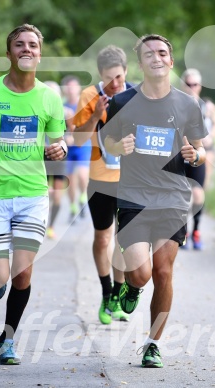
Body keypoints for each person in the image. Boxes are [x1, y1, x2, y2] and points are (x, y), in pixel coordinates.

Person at [0, 24, 67, 365]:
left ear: (40, 54)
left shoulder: (50, 98)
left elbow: (58, 140)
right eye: (19, 45)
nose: (26, 49)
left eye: (33, 45)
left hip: (33, 195)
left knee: (23, 274)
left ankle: (7, 340)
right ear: (8, 54)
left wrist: (59, 150)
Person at [103, 34, 207, 368]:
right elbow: (107, 143)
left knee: (163, 272)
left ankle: (152, 344)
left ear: (171, 62)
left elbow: (202, 151)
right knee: (141, 273)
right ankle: (131, 289)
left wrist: (196, 155)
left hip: (173, 197)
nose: (157, 57)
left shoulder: (188, 104)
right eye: (149, 53)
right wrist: (120, 147)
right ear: (141, 63)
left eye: (163, 52)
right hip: (133, 196)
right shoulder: (122, 102)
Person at [72, 45, 134, 325]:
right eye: (109, 79)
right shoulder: (89, 95)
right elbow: (77, 141)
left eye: (119, 77)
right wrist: (96, 115)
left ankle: (119, 297)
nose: (115, 84)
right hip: (100, 179)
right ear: (100, 74)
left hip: (130, 181)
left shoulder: (136, 96)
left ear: (126, 72)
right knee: (103, 238)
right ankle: (106, 294)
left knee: (124, 242)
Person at [180, 68, 215, 250]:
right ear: (183, 85)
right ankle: (182, 232)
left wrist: (210, 136)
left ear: (200, 86)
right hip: (180, 153)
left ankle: (196, 231)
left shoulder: (207, 106)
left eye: (195, 84)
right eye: (188, 84)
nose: (191, 87)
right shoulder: (176, 103)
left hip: (200, 154)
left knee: (198, 193)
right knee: (181, 194)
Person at [61, 75, 91, 221]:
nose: (71, 90)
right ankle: (73, 207)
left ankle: (83, 197)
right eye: (69, 87)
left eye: (74, 86)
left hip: (83, 145)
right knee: (70, 180)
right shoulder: (61, 107)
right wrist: (64, 137)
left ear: (79, 88)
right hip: (68, 148)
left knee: (82, 175)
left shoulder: (85, 105)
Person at [43, 80, 68, 240]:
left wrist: (67, 142)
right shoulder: (37, 112)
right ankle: (38, 224)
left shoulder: (66, 113)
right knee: (44, 193)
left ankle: (51, 226)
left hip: (58, 158)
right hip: (41, 157)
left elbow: (71, 134)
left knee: (57, 196)